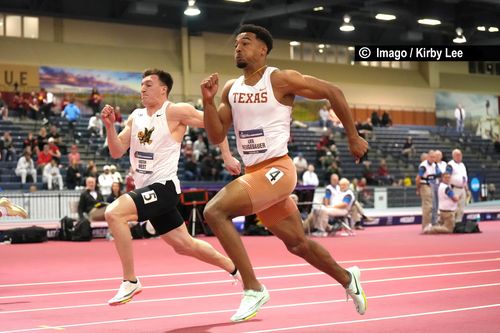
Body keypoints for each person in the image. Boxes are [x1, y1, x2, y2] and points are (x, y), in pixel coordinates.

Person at [200, 24, 368, 322]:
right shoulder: (231, 88)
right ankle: (347, 277)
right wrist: (208, 102)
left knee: (214, 212)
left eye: (245, 43)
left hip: (278, 169)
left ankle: (253, 288)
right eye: (236, 44)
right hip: (254, 174)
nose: (237, 48)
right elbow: (215, 136)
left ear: (262, 50)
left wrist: (352, 135)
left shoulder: (280, 79)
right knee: (298, 244)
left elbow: (333, 91)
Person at [100, 68, 240, 306]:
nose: (142, 89)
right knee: (185, 246)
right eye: (141, 85)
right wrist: (110, 126)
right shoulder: (136, 117)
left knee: (114, 213)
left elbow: (215, 124)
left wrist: (227, 156)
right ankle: (235, 268)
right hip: (148, 190)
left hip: (164, 188)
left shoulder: (176, 111)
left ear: (163, 89)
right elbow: (115, 151)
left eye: (148, 84)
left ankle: (130, 281)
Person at [416, 150, 438, 231]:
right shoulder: (423, 166)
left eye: (434, 157)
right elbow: (418, 178)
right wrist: (418, 189)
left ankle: (432, 224)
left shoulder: (434, 165)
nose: (433, 159)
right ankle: (425, 226)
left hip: (432, 185)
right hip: (425, 185)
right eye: (431, 157)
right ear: (428, 157)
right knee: (427, 207)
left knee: (433, 207)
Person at [446, 149, 469, 224]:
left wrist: (467, 189)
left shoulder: (462, 165)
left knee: (461, 208)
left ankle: (459, 223)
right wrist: (448, 189)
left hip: (462, 188)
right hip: (454, 188)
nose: (459, 156)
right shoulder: (450, 165)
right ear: (453, 156)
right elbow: (447, 176)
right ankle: (452, 224)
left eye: (460, 155)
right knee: (454, 207)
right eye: (457, 155)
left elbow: (465, 177)